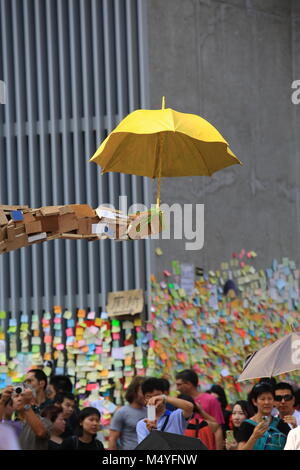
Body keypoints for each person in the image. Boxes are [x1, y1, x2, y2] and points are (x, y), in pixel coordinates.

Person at [175, 369, 224, 449]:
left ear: (189, 384)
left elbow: (218, 428)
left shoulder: (210, 400)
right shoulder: (179, 400)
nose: (177, 388)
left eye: (179, 384)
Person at [136, 377, 193, 444]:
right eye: (149, 397)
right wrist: (152, 432)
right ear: (145, 399)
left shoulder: (176, 416)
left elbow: (190, 407)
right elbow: (144, 448)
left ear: (164, 395)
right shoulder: (142, 424)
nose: (153, 400)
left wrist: (165, 399)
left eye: (157, 396)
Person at [236, 383, 290, 450]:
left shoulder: (281, 424)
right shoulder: (247, 425)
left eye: (270, 398)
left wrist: (295, 427)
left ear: (274, 401)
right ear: (254, 401)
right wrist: (254, 437)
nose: (266, 402)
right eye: (262, 399)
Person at [7, 386, 52, 450]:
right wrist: (2, 401)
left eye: (22, 396)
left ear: (32, 401)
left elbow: (40, 433)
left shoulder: (44, 421)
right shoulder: (10, 424)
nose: (19, 399)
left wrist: (26, 405)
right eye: (16, 396)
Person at [108, 376, 146, 450]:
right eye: (143, 392)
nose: (146, 395)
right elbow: (112, 439)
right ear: (134, 392)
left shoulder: (150, 411)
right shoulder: (122, 412)